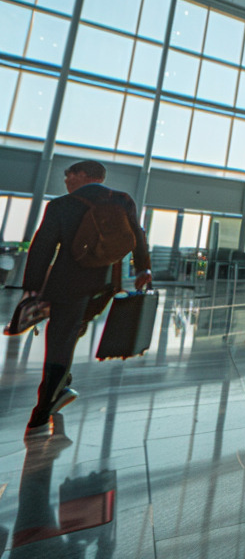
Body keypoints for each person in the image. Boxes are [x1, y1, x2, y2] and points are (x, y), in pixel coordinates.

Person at [21, 160, 152, 436]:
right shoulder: (122, 199)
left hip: (69, 283)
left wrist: (32, 287)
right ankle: (62, 383)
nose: (66, 179)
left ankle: (42, 410)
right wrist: (143, 268)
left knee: (60, 338)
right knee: (74, 328)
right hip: (106, 283)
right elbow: (137, 235)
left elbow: (43, 245)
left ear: (83, 175)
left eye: (69, 174)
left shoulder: (61, 205)